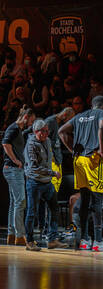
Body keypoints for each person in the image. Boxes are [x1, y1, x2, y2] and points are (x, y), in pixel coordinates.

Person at [58, 95, 103, 252]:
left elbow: (61, 131)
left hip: (79, 161)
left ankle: (84, 239)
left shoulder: (79, 116)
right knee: (97, 200)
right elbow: (102, 127)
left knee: (84, 199)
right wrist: (102, 149)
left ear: (92, 105)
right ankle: (97, 242)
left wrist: (71, 150)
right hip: (93, 159)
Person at [24, 119, 68, 251]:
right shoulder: (31, 145)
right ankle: (30, 241)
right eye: (43, 131)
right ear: (36, 131)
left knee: (54, 208)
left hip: (47, 183)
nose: (46, 134)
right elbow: (34, 167)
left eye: (47, 131)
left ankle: (52, 239)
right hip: (34, 182)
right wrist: (52, 172)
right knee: (32, 212)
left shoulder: (48, 141)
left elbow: (50, 157)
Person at [2, 106, 36, 246]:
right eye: (31, 120)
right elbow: (5, 143)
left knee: (14, 203)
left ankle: (11, 234)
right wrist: (16, 160)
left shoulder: (18, 130)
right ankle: (20, 235)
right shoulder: (14, 128)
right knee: (20, 201)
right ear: (26, 117)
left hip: (13, 169)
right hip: (13, 169)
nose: (31, 123)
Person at [45, 108, 75, 193]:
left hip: (57, 158)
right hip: (51, 159)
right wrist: (51, 156)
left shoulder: (60, 123)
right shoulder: (50, 122)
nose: (69, 122)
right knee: (52, 186)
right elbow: (44, 140)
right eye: (70, 119)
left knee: (57, 184)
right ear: (64, 115)